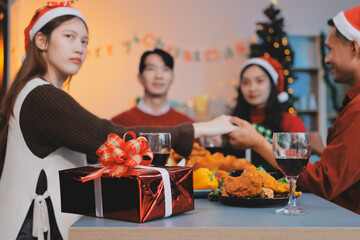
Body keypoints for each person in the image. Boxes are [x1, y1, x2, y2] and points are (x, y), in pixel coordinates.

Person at [0, 3, 236, 240]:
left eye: (84, 41)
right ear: (41, 41)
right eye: (69, 36)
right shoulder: (42, 95)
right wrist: (201, 128)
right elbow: (111, 138)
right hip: (33, 227)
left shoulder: (34, 91)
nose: (79, 48)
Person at [227, 5, 360, 214]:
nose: (326, 59)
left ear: (354, 48)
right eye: (246, 82)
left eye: (330, 50)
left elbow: (324, 182)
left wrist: (258, 142)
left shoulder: (358, 109)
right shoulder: (353, 103)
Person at [231, 56, 307, 170]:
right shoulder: (234, 122)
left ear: (272, 84)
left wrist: (258, 143)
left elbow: (298, 169)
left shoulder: (291, 122)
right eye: (245, 82)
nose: (252, 88)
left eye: (259, 81)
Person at [111, 48, 193, 127]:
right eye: (151, 69)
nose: (159, 76)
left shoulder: (188, 125)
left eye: (165, 69)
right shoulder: (118, 124)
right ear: (140, 77)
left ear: (172, 78)